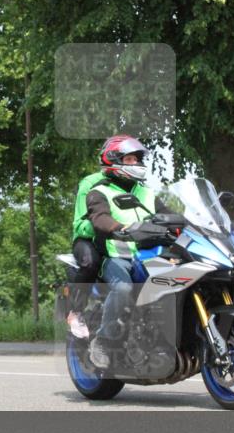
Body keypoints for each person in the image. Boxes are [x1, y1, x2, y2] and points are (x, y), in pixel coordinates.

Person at [84, 135, 175, 369]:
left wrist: (194, 227)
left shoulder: (147, 193)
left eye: (137, 159)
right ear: (114, 160)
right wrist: (120, 228)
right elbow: (99, 218)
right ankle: (102, 341)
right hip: (116, 257)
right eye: (130, 159)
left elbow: (170, 217)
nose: (136, 163)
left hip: (148, 255)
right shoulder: (99, 192)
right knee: (124, 288)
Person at [66, 168, 111, 339]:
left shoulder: (137, 185)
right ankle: (76, 311)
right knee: (90, 262)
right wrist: (104, 226)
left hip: (124, 239)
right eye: (126, 158)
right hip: (89, 238)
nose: (133, 163)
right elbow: (80, 222)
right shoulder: (90, 182)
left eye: (135, 159)